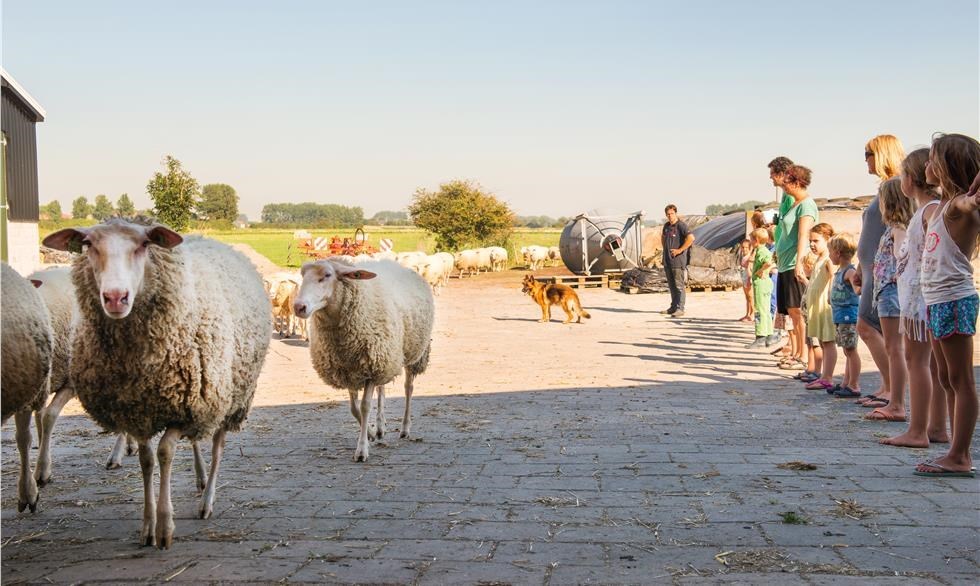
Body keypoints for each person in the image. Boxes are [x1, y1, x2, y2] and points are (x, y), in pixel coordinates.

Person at [914, 134, 980, 478]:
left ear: (946, 166)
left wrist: (973, 200)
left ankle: (960, 455)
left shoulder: (957, 205)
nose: (926, 164)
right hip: (936, 301)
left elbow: (969, 206)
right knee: (945, 377)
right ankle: (956, 448)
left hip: (954, 299)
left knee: (961, 379)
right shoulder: (940, 207)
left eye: (932, 158)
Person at [882, 148, 949, 447]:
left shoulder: (932, 209)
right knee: (932, 365)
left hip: (921, 300)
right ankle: (936, 427)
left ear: (911, 180)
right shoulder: (926, 210)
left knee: (918, 361)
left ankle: (917, 430)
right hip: (920, 297)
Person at [855, 135, 905, 408]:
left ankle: (892, 389)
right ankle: (888, 386)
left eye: (868, 154)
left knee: (868, 326)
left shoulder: (895, 186)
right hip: (871, 269)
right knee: (876, 328)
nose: (865, 160)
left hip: (883, 271)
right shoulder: (885, 187)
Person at [864, 178, 913, 422]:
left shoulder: (898, 228)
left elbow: (902, 256)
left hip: (892, 292)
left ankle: (896, 403)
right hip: (887, 292)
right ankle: (895, 401)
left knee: (895, 348)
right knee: (893, 348)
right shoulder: (893, 227)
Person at [773, 165, 819, 370]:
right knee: (792, 312)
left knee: (798, 313)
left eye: (787, 179)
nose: (782, 183)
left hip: (794, 264)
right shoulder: (794, 204)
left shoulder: (806, 205)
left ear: (797, 182)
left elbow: (803, 235)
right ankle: (797, 352)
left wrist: (800, 262)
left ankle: (803, 355)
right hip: (784, 264)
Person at [802, 224, 838, 391]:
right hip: (816, 305)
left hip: (825, 305)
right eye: (810, 241)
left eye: (816, 240)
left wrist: (831, 292)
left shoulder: (828, 259)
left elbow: (833, 275)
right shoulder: (818, 258)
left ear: (828, 240)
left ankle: (828, 377)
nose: (812, 244)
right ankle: (823, 375)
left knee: (828, 342)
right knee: (822, 341)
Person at [828, 233, 862, 397]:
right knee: (847, 351)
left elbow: (857, 288)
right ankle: (845, 382)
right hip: (840, 316)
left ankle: (854, 384)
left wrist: (859, 288)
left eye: (831, 252)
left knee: (851, 350)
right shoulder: (840, 271)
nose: (830, 255)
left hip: (849, 316)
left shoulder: (849, 271)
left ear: (838, 253)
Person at [768, 157, 795, 352]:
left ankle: (797, 348)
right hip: (784, 257)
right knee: (786, 307)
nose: (771, 179)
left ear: (781, 174)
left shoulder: (793, 197)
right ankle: (791, 344)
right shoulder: (785, 197)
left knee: (794, 309)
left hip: (792, 259)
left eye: (772, 175)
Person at [661, 204, 695, 317]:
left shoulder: (681, 225)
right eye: (668, 214)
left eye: (672, 213)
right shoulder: (666, 226)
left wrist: (680, 250)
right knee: (671, 285)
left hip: (677, 261)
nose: (670, 216)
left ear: (676, 213)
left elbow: (691, 238)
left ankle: (680, 308)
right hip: (667, 260)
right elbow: (663, 237)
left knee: (679, 285)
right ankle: (673, 307)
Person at [745, 229, 774, 348]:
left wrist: (759, 271)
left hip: (760, 283)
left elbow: (768, 262)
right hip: (767, 282)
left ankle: (760, 337)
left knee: (759, 310)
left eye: (751, 239)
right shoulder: (764, 250)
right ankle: (769, 335)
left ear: (756, 240)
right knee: (766, 310)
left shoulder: (761, 251)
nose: (750, 241)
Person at [738, 239, 755, 322]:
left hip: (748, 277)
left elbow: (750, 269)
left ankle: (752, 314)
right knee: (747, 297)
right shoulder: (742, 256)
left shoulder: (750, 257)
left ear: (750, 248)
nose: (744, 249)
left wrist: (749, 279)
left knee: (751, 297)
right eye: (742, 247)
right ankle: (747, 314)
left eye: (746, 247)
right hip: (743, 277)